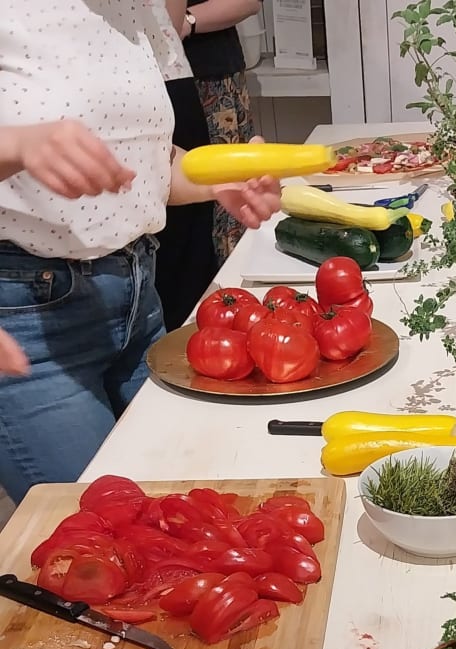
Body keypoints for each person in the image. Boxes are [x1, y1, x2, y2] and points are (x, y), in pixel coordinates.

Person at [0, 1, 281, 504]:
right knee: (100, 536)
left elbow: (144, 159)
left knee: (187, 509)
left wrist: (217, 179)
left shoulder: (138, 11)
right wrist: (17, 144)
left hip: (138, 300)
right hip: (28, 317)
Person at [179, 0, 263, 265]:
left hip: (211, 79)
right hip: (158, 82)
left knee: (225, 208)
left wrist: (187, 22)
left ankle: (228, 292)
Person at [153, 0, 220, 330]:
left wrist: (223, 183)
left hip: (169, 75)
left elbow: (154, 161)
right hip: (44, 278)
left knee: (186, 257)